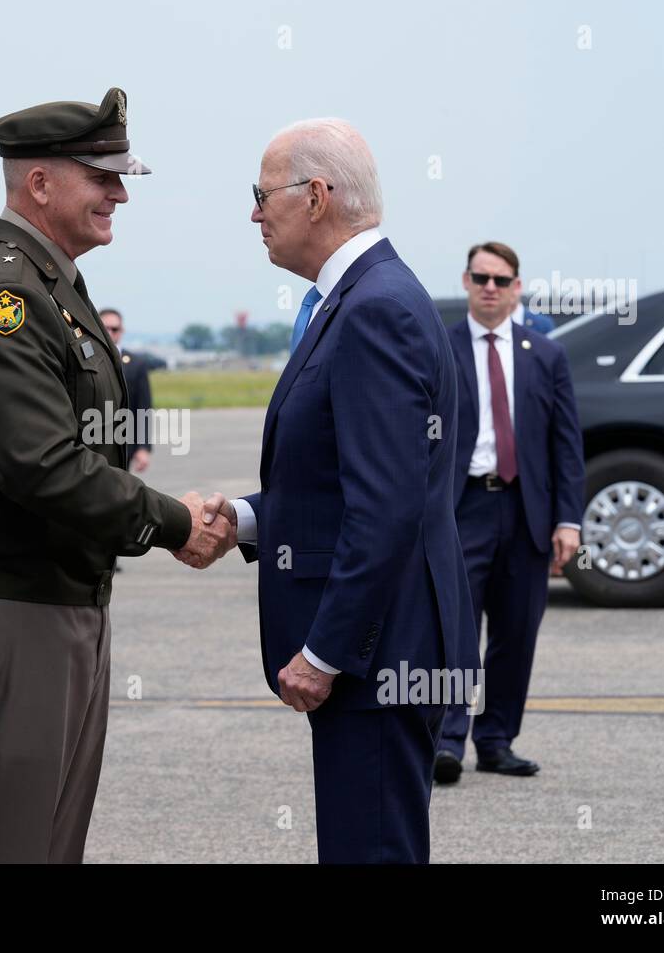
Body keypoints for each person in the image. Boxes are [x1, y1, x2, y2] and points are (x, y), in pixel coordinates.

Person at [0, 87, 232, 863]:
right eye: (102, 176)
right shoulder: (5, 297)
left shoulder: (49, 283)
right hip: (14, 605)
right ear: (40, 183)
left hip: (63, 598)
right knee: (7, 844)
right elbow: (43, 464)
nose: (120, 193)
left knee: (50, 842)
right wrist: (172, 522)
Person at [195, 118, 478, 863]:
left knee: (370, 849)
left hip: (377, 651)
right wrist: (251, 521)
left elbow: (386, 509)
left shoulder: (373, 308)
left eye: (262, 195)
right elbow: (349, 485)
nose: (254, 213)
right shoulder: (359, 297)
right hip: (388, 641)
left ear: (316, 196)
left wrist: (324, 653)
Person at [433, 241, 585, 783]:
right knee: (453, 632)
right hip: (462, 508)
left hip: (527, 513)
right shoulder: (439, 348)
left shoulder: (546, 355)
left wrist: (569, 519)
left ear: (518, 287)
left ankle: (496, 741)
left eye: (501, 280)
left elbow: (566, 444)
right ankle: (446, 741)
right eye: (480, 278)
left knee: (516, 633)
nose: (490, 288)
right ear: (467, 282)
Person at [100, 307, 153, 472]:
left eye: (114, 329)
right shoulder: (84, 358)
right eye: (104, 328)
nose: (109, 333)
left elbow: (143, 407)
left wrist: (143, 447)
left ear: (121, 331)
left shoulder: (136, 364)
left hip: (124, 442)